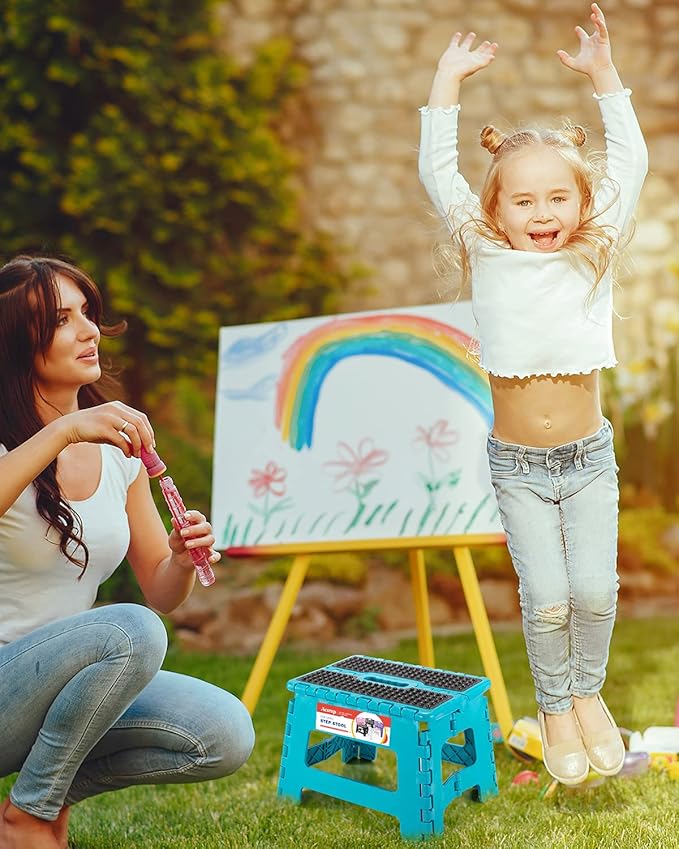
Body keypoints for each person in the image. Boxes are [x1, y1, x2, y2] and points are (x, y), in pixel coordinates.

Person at [418, 4, 647, 785]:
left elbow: (631, 163)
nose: (542, 212)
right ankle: (553, 704)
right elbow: (436, 174)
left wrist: (604, 76)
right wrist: (445, 83)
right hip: (517, 464)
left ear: (580, 204)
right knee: (546, 596)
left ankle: (587, 695)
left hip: (587, 458)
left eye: (557, 198)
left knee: (595, 590)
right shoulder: (485, 253)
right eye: (523, 200)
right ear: (495, 212)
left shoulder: (594, 252)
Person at [0, 255, 255, 849]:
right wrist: (64, 431)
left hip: (68, 693)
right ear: (16, 342)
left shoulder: (118, 450)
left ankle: (41, 796)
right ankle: (30, 819)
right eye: (63, 320)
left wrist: (180, 557)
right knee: (127, 630)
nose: (89, 330)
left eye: (87, 312)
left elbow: (159, 595)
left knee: (225, 732)